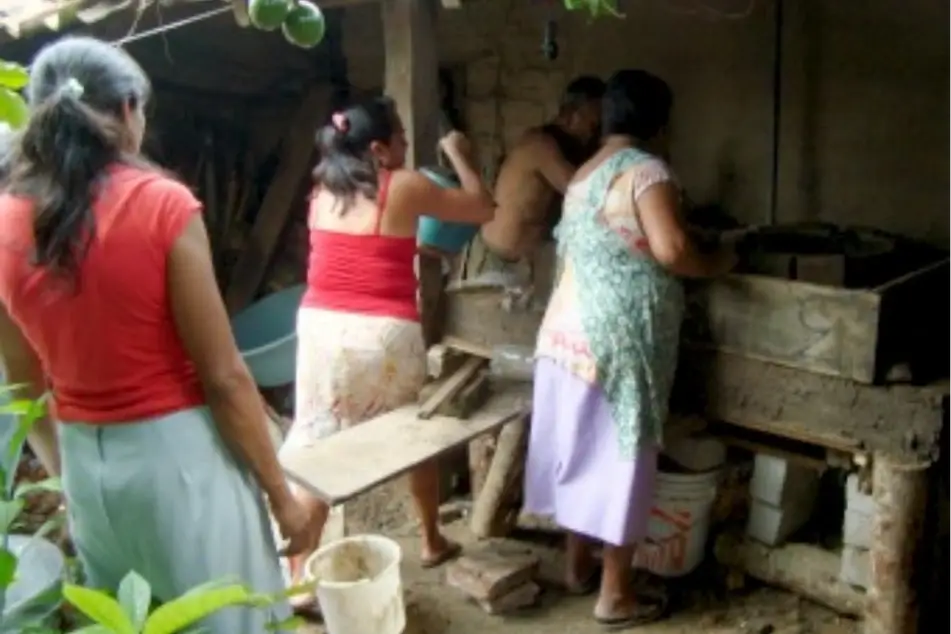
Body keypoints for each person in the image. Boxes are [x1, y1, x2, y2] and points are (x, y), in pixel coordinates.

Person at [0, 36, 318, 633]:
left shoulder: (5, 221)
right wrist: (282, 498)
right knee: (229, 619)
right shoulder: (160, 206)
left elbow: (23, 384)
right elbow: (224, 377)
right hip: (179, 464)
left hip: (87, 467)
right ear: (126, 111)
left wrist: (70, 481)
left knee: (137, 622)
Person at [524, 69, 737, 628]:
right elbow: (670, 249)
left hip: (564, 333)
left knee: (580, 453)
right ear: (660, 124)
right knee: (623, 461)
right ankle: (615, 595)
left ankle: (577, 567)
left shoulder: (583, 175)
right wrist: (717, 263)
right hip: (618, 341)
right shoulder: (647, 171)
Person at [282, 97, 495, 608]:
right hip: (379, 332)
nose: (405, 146)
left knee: (317, 444)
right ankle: (430, 539)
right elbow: (483, 208)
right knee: (409, 434)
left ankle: (294, 578)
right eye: (400, 138)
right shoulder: (402, 185)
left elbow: (361, 251)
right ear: (378, 149)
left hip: (319, 328)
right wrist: (459, 152)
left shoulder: (322, 191)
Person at [456, 75, 605, 288]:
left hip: (524, 262)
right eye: (592, 123)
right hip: (498, 264)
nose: (594, 131)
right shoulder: (541, 146)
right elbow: (583, 192)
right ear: (572, 115)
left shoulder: (560, 148)